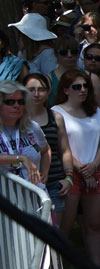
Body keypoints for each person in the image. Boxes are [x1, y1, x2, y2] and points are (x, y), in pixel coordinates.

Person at [52, 69, 100, 265]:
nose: (83, 90)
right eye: (77, 87)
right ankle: (58, 268)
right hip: (70, 173)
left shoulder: (96, 111)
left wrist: (93, 166)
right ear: (66, 90)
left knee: (94, 224)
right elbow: (62, 147)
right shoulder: (57, 112)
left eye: (85, 86)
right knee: (65, 225)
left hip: (95, 169)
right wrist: (83, 171)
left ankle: (96, 266)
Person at [24, 73, 66, 221]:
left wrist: (69, 177)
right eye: (31, 89)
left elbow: (64, 150)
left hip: (55, 181)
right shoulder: (16, 119)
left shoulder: (56, 117)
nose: (36, 94)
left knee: (55, 231)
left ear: (48, 92)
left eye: (41, 89)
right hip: (26, 182)